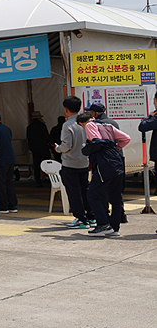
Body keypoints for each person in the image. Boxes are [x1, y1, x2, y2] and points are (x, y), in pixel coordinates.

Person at [79, 112, 130, 236]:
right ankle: (114, 228)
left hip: (105, 163)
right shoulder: (108, 125)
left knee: (92, 194)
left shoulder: (90, 125)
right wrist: (116, 147)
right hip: (117, 161)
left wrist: (88, 149)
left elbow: (97, 141)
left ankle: (103, 224)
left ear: (82, 123)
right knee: (116, 197)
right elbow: (126, 138)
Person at [54, 96, 95, 229]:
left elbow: (67, 145)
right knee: (85, 190)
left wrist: (58, 148)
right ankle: (91, 216)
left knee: (74, 193)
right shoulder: (86, 122)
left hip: (70, 164)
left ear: (66, 109)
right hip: (84, 162)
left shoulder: (67, 125)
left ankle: (81, 219)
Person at [26, 111, 50, 186]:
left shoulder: (29, 127)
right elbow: (46, 136)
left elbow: (28, 138)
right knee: (47, 162)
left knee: (36, 164)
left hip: (35, 148)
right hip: (43, 147)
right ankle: (48, 177)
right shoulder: (42, 126)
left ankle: (38, 180)